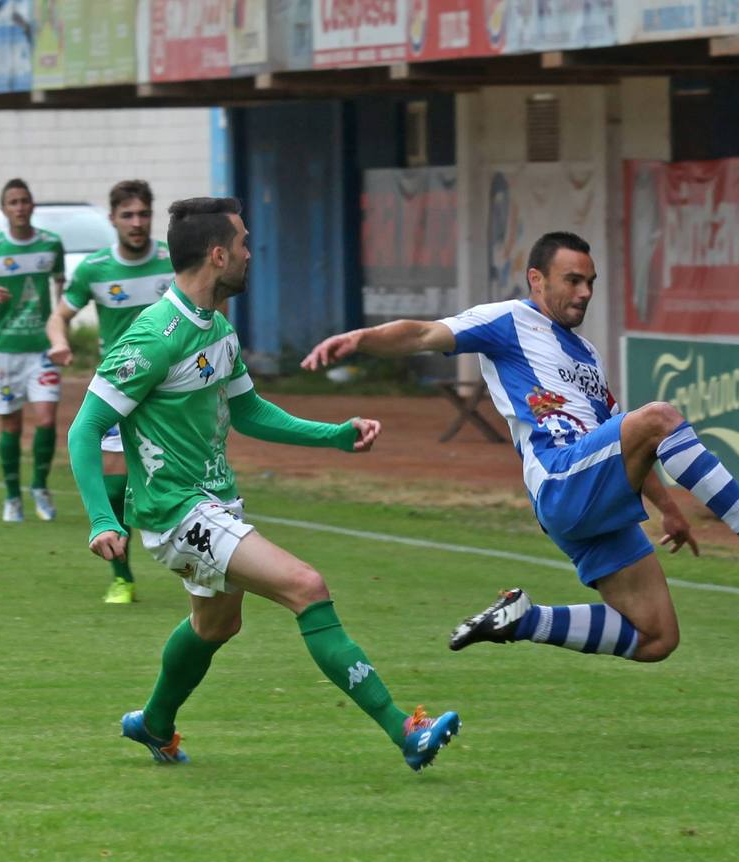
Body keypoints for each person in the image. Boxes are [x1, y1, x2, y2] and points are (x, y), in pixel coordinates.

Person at [302, 231, 739, 665]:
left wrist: (671, 510)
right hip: (561, 480)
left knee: (656, 637)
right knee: (659, 417)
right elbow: (423, 333)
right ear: (537, 279)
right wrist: (362, 340)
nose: (584, 292)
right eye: (572, 280)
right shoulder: (507, 321)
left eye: (590, 282)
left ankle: (524, 620)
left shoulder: (584, 354)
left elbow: (624, 443)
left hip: (593, 493)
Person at [67, 197, 460, 771]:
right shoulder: (153, 334)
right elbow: (86, 428)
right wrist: (103, 517)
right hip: (177, 513)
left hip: (215, 503)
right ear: (219, 254)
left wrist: (334, 435)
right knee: (307, 585)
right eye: (245, 244)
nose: (253, 255)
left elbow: (249, 412)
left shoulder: (218, 328)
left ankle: (153, 723)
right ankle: (406, 730)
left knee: (217, 623)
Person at [46, 179, 175, 605]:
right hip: (121, 390)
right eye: (128, 215)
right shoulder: (95, 269)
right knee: (117, 488)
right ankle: (122, 577)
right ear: (113, 219)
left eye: (143, 214)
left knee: (185, 484)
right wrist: (60, 341)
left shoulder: (172, 261)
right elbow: (59, 316)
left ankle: (207, 569)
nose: (137, 223)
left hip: (173, 393)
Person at [0, 178, 66, 524]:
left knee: (47, 418)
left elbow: (60, 286)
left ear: (32, 206)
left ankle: (39, 485)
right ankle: (11, 495)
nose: (20, 207)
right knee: (11, 424)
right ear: (4, 209)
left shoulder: (51, 245)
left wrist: (60, 328)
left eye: (25, 201)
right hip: (5, 349)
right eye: (13, 202)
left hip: (41, 349)